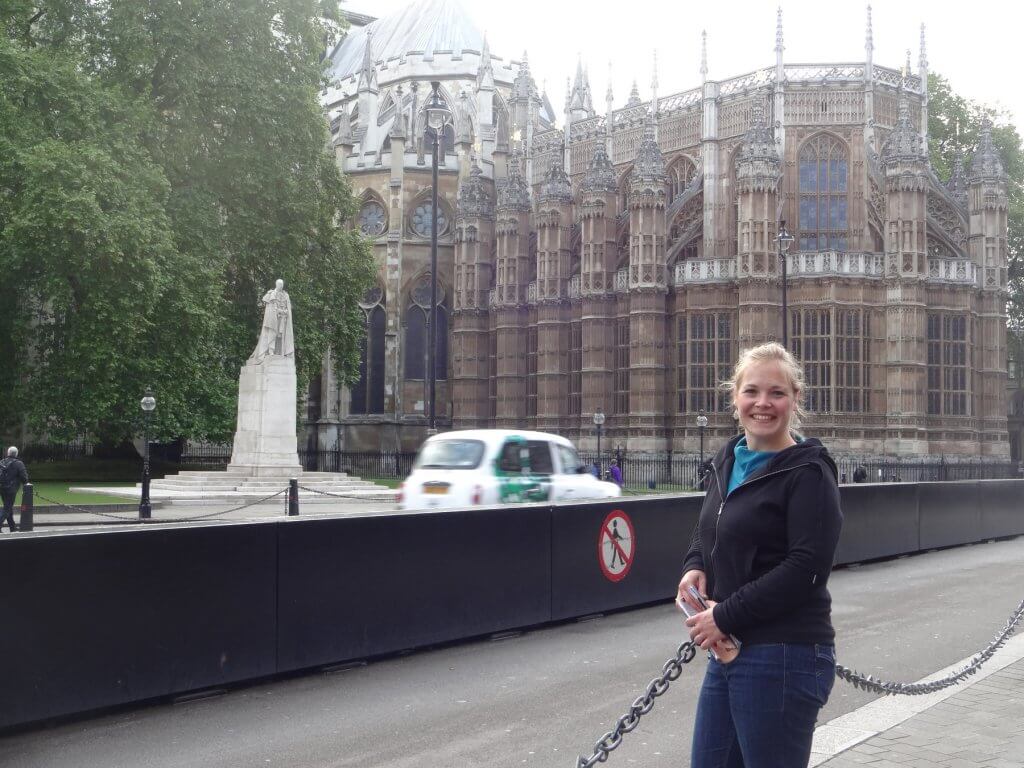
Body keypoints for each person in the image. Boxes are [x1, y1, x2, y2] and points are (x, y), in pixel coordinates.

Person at [677, 342, 843, 768]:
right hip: (730, 647)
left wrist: (723, 616)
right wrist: (694, 564)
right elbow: (709, 524)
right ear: (734, 397)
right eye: (751, 391)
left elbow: (806, 569)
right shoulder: (728, 459)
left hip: (784, 652)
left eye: (776, 393)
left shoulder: (809, 471)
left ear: (795, 399)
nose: (763, 403)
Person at [0, 446, 29, 533]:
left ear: (8, 453)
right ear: (16, 454)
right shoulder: (19, 463)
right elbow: (24, 478)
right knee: (7, 508)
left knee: (8, 507)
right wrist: (26, 484)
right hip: (11, 489)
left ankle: (12, 528)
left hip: (1, 488)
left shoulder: (2, 461)